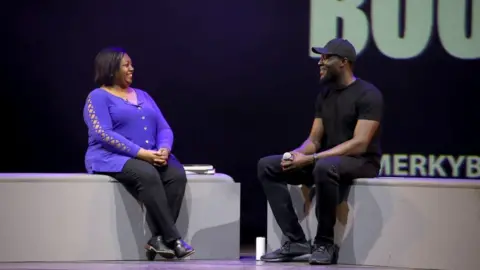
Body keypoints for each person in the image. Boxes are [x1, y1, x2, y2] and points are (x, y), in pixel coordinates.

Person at [258, 38, 383, 265]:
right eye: (321, 58)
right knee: (267, 165)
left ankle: (324, 242)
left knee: (324, 167)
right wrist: (297, 155)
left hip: (361, 162)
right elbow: (314, 140)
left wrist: (313, 158)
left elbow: (360, 143)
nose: (320, 63)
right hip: (329, 161)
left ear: (344, 62)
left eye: (326, 58)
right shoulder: (325, 95)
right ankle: (296, 240)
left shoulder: (368, 94)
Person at [83, 47, 195, 260]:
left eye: (131, 64)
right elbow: (102, 133)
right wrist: (141, 153)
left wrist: (164, 149)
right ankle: (173, 239)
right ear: (111, 68)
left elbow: (164, 128)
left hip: (150, 155)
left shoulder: (143, 95)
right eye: (126, 65)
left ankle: (157, 239)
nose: (131, 68)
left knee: (176, 174)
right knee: (147, 174)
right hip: (111, 157)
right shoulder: (97, 97)